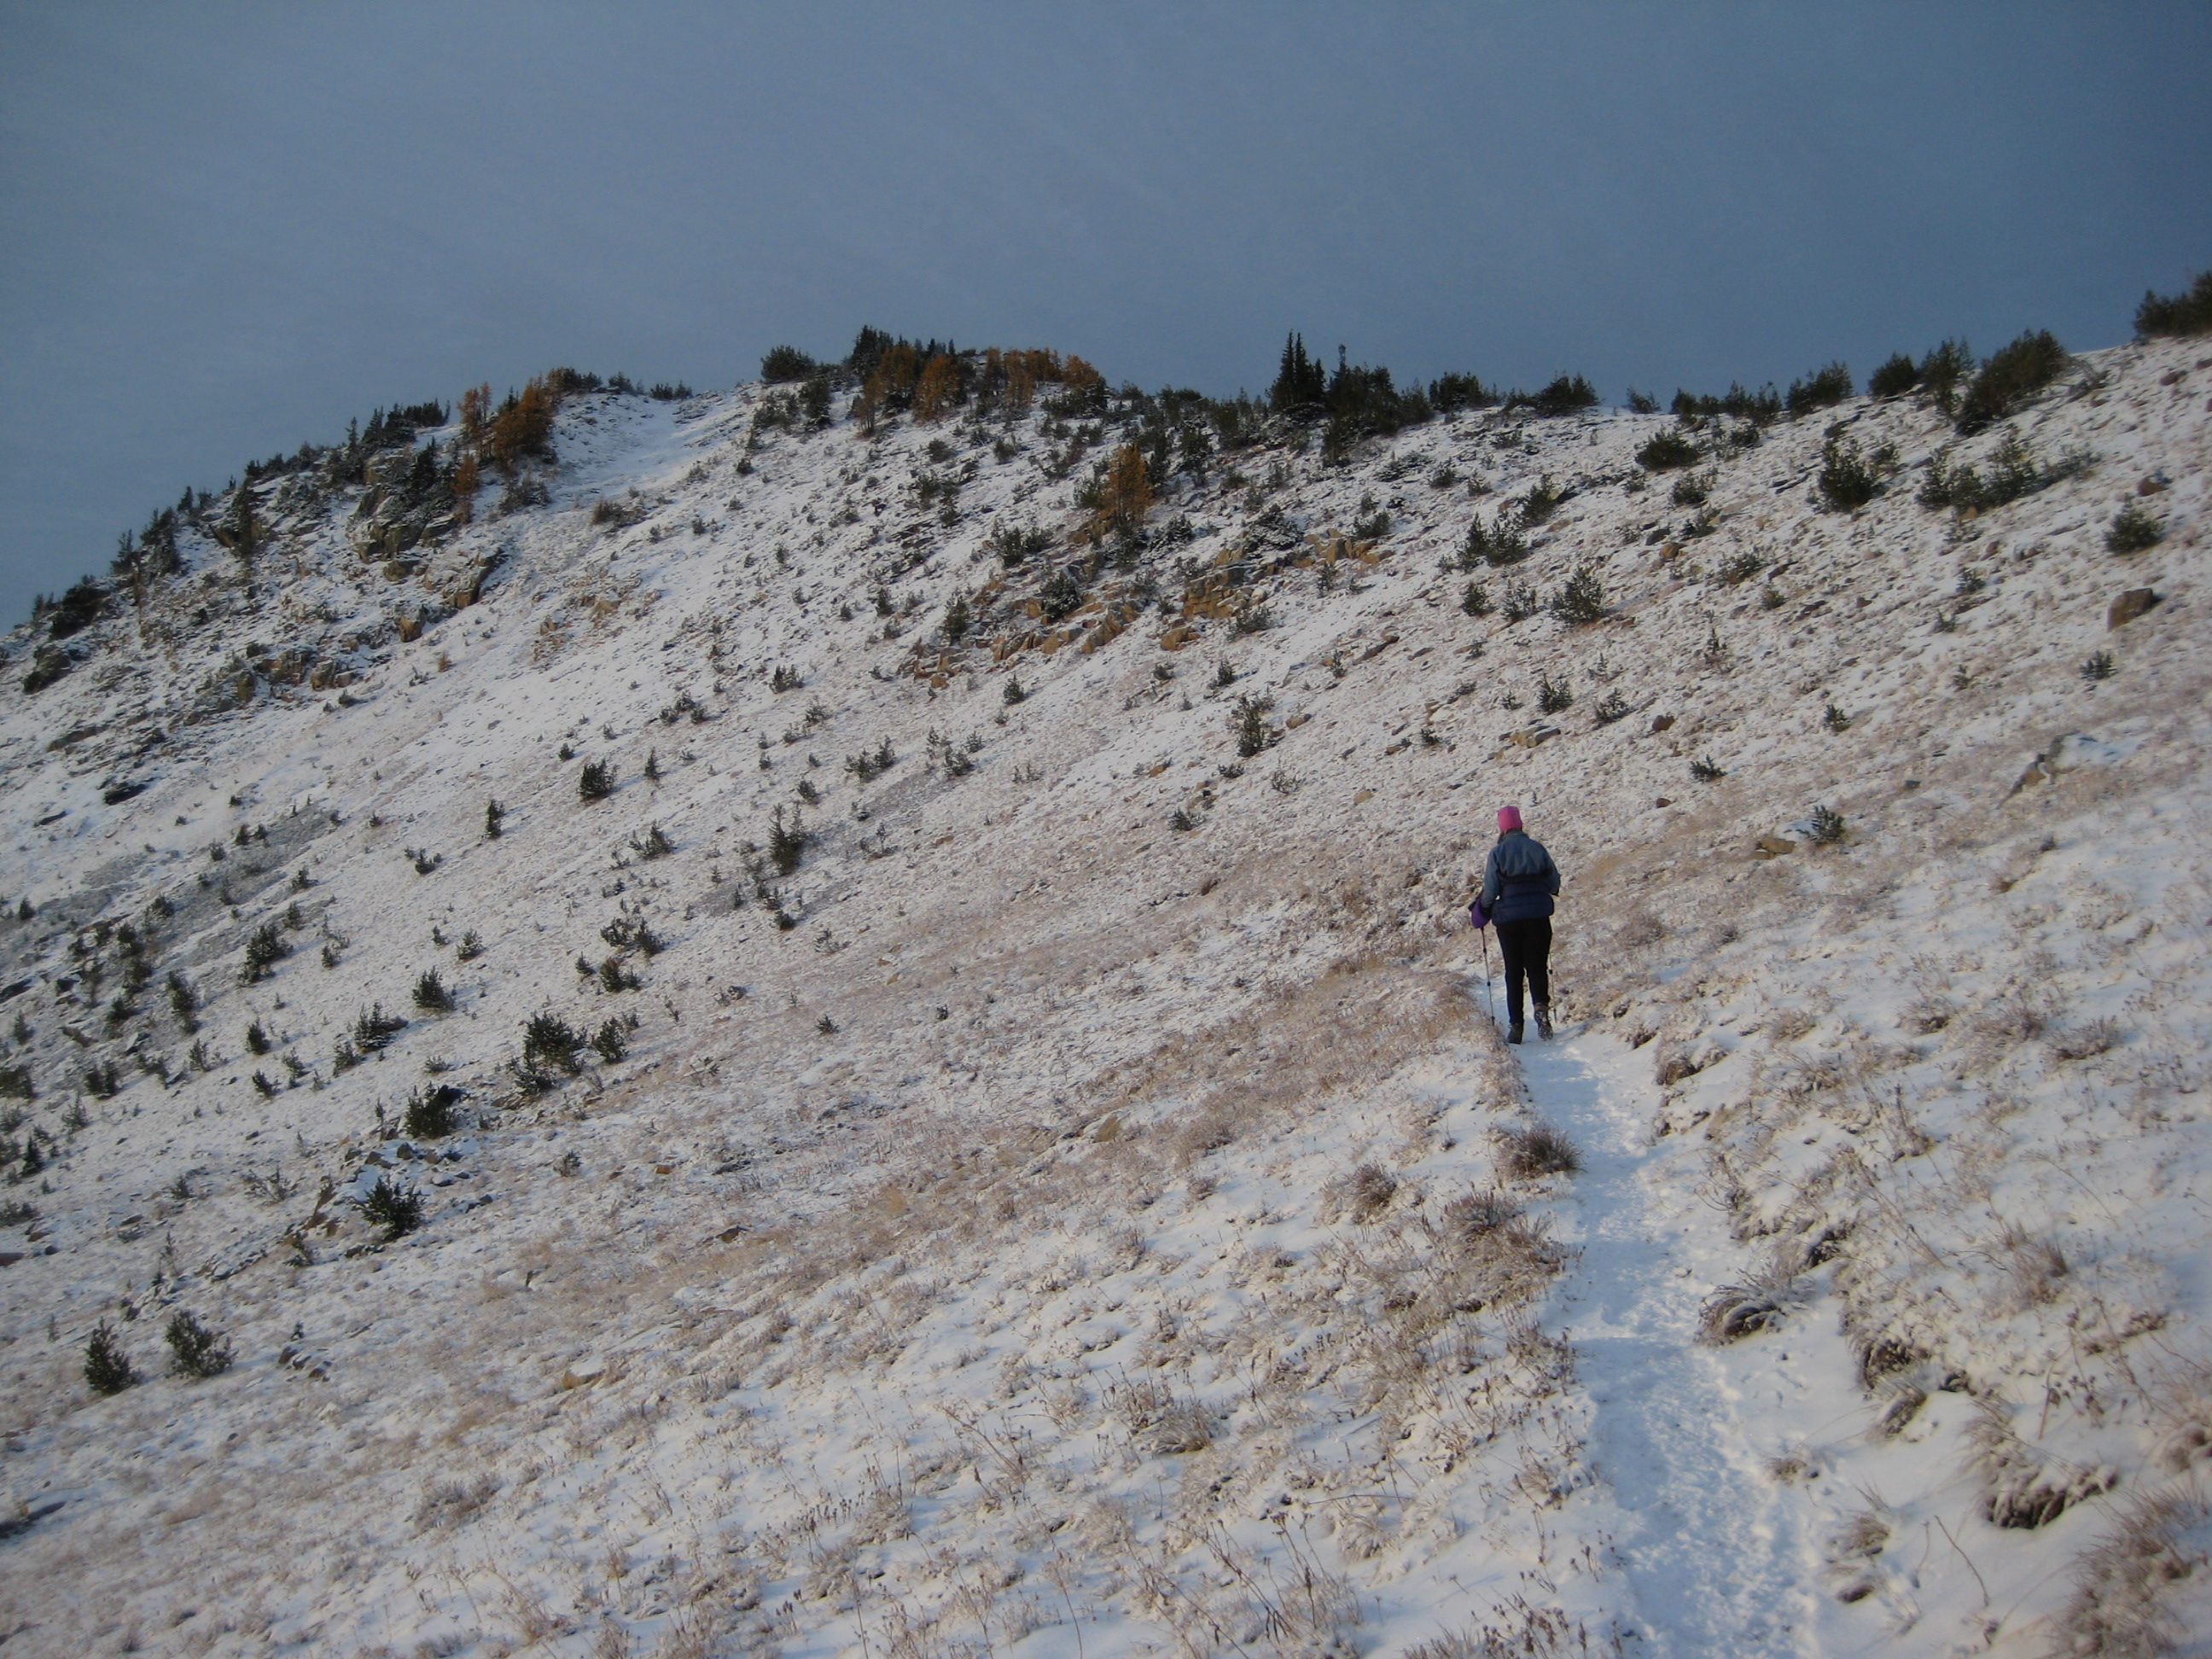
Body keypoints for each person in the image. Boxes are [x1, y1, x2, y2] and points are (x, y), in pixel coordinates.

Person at [1478, 803, 1561, 1044]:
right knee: (1537, 966)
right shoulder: (1537, 848)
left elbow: (1491, 888)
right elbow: (1553, 883)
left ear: (1502, 828)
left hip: (1509, 921)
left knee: (1513, 971)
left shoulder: (1497, 853)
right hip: (1538, 916)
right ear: (1520, 824)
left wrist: (1483, 909)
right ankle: (1541, 1006)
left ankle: (1516, 1026)